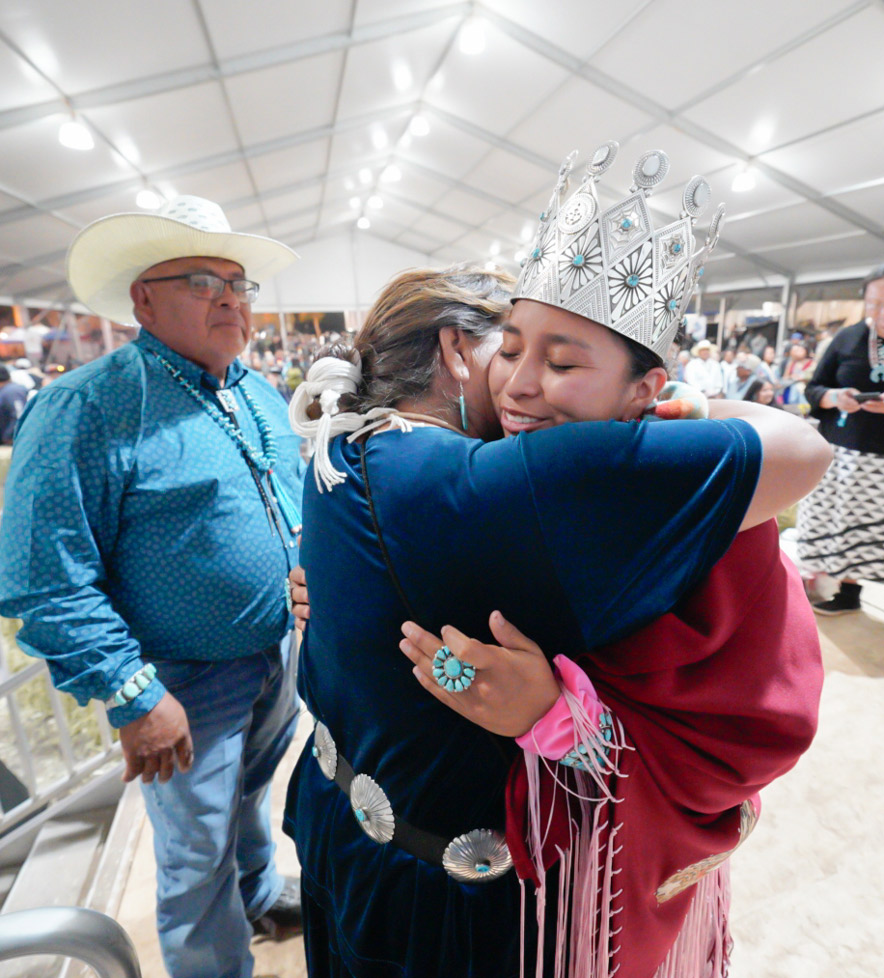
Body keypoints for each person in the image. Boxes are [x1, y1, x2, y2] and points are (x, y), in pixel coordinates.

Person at [284, 147, 830, 978]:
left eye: (564, 362)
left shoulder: (669, 498)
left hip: (503, 871)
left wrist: (565, 721)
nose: (518, 384)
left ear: (645, 390)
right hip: (450, 867)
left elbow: (744, 723)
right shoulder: (499, 468)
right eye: (509, 348)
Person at [0, 196, 307, 978]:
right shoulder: (85, 407)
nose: (230, 299)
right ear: (144, 299)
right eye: (203, 282)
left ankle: (259, 894)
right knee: (195, 854)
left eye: (239, 284)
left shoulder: (257, 392)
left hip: (276, 653)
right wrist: (132, 693)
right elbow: (44, 578)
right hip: (181, 677)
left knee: (248, 799)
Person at [797, 263, 884, 615]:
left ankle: (850, 592)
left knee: (864, 529)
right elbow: (814, 388)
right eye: (873, 303)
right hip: (836, 449)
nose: (879, 311)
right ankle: (809, 583)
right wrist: (835, 397)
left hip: (878, 459)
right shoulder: (848, 337)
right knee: (823, 517)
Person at [0, 365, 28, 444]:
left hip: (12, 441)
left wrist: (8, 436)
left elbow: (19, 415)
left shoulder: (12, 391)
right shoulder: (6, 390)